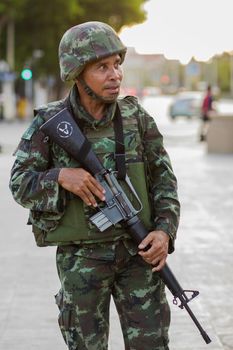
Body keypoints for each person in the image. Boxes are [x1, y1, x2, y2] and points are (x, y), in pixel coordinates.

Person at [9, 21, 180, 350]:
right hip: (82, 262)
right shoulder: (50, 125)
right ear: (76, 72)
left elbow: (164, 181)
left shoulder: (136, 119)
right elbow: (19, 184)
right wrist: (59, 177)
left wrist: (164, 231)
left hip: (138, 255)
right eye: (102, 67)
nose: (115, 74)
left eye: (117, 64)